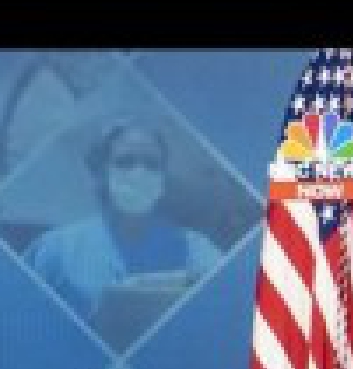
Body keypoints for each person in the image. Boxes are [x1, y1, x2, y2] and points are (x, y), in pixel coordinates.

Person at [24, 119, 221, 335]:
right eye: (125, 161)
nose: (139, 173)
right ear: (100, 172)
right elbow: (19, 318)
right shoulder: (57, 250)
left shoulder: (197, 250)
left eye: (151, 163)